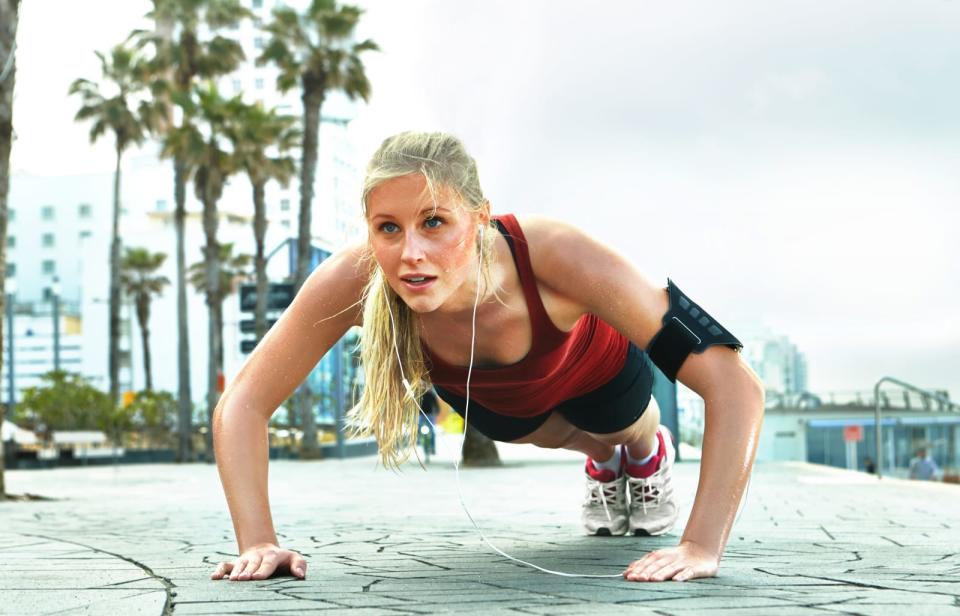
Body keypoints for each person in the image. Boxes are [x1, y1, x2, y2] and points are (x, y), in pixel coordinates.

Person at [210, 131, 765, 584]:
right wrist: (258, 541)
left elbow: (735, 384)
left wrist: (699, 546)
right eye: (388, 228)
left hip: (602, 376)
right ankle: (603, 465)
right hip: (506, 406)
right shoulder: (353, 278)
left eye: (434, 222)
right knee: (561, 437)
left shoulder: (554, 253)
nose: (411, 254)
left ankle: (646, 453)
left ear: (479, 217)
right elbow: (244, 403)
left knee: (618, 427)